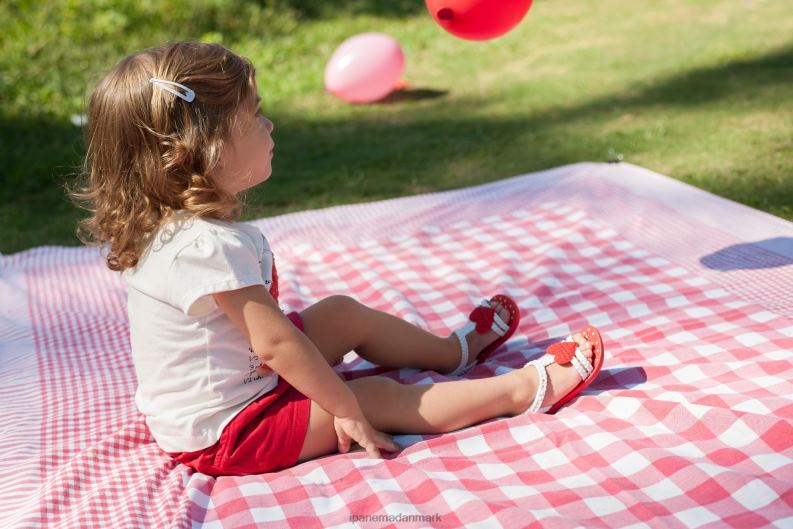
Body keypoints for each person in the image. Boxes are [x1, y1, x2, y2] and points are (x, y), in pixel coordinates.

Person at [67, 41, 605, 477]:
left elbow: (266, 341)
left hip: (240, 383)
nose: (269, 126)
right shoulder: (203, 246)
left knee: (341, 314)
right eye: (254, 116)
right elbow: (276, 345)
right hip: (229, 429)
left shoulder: (172, 228)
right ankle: (521, 391)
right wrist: (343, 408)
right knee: (370, 395)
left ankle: (450, 353)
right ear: (196, 151)